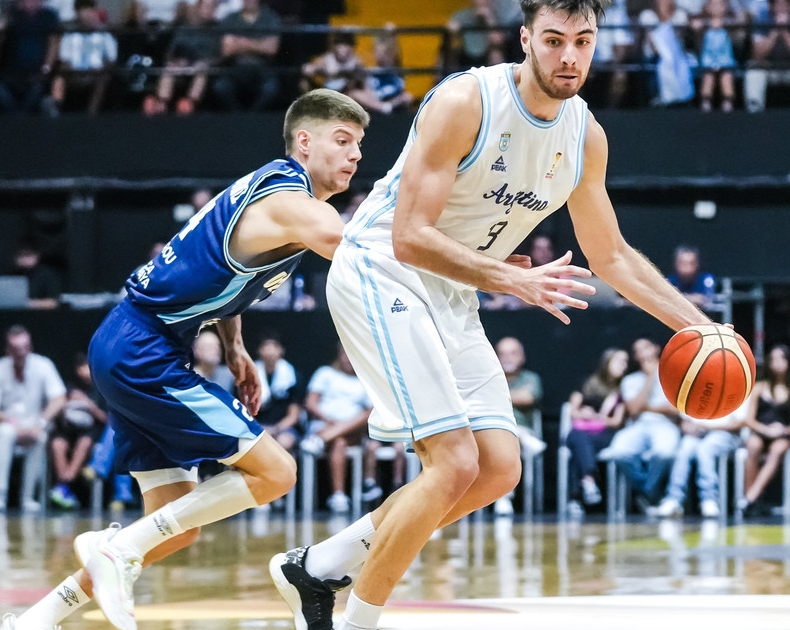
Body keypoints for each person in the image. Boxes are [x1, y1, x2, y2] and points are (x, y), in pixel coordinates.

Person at [269, 3, 713, 630]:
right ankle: (356, 622)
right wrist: (510, 278)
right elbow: (409, 237)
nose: (569, 57)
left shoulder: (585, 135)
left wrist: (700, 326)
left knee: (499, 468)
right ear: (525, 38)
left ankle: (318, 567)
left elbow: (611, 255)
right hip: (382, 271)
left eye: (583, 41)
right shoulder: (467, 101)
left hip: (455, 290)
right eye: (554, 40)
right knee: (453, 463)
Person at [0, 89, 368, 630]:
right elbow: (358, 250)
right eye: (343, 140)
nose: (355, 154)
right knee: (276, 471)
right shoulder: (291, 199)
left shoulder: (273, 195)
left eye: (359, 144)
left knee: (175, 523)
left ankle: (36, 619)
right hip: (143, 348)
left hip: (133, 340)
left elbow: (228, 276)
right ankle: (117, 549)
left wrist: (235, 347)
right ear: (305, 142)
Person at [0, 325, 67, 512]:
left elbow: (59, 398)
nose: (21, 353)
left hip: (35, 423)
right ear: (8, 350)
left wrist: (41, 422)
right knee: (3, 433)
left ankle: (28, 497)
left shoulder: (43, 365)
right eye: (16, 349)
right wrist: (11, 422)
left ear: (30, 347)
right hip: (8, 423)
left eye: (25, 348)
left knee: (40, 436)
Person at [600, 338, 682, 510]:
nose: (642, 353)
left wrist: (649, 407)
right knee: (618, 452)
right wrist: (650, 378)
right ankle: (647, 490)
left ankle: (647, 492)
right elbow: (634, 409)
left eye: (645, 347)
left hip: (666, 425)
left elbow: (678, 409)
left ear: (656, 348)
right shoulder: (630, 380)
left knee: (664, 453)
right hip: (639, 425)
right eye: (637, 350)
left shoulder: (675, 375)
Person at [301, 344, 381, 513]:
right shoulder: (325, 373)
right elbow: (311, 403)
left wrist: (341, 425)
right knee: (339, 442)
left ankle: (320, 440)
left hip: (353, 430)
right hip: (324, 424)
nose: (348, 359)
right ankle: (338, 496)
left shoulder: (364, 379)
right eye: (345, 354)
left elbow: (370, 410)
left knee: (367, 413)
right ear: (339, 355)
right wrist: (329, 420)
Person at [740, 343, 790, 516]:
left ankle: (750, 499)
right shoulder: (759, 388)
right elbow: (749, 420)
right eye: (773, 359)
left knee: (777, 449)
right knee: (752, 445)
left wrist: (781, 430)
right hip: (761, 431)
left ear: (789, 362)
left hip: (783, 435)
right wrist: (765, 429)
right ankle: (751, 499)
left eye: (781, 358)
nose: (777, 363)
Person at [564, 347, 628, 510]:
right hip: (582, 430)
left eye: (626, 362)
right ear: (607, 362)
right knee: (579, 438)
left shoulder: (623, 389)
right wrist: (583, 413)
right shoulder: (587, 383)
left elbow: (617, 421)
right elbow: (572, 411)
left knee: (578, 445)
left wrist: (597, 417)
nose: (623, 365)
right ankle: (589, 480)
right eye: (619, 361)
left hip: (605, 433)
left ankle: (576, 497)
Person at [492, 336, 545, 515]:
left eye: (513, 353)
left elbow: (527, 397)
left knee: (507, 439)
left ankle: (504, 497)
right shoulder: (489, 376)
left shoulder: (531, 378)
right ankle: (525, 441)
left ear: (522, 357)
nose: (507, 358)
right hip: (491, 430)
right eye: (503, 354)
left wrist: (495, 395)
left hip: (519, 427)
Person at [49, 353, 108, 509]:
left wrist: (88, 405)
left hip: (91, 433)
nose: (85, 371)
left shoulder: (102, 389)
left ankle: (64, 486)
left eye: (87, 366)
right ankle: (63, 488)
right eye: (82, 367)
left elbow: (106, 419)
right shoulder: (70, 387)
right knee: (57, 444)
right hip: (68, 430)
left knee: (84, 443)